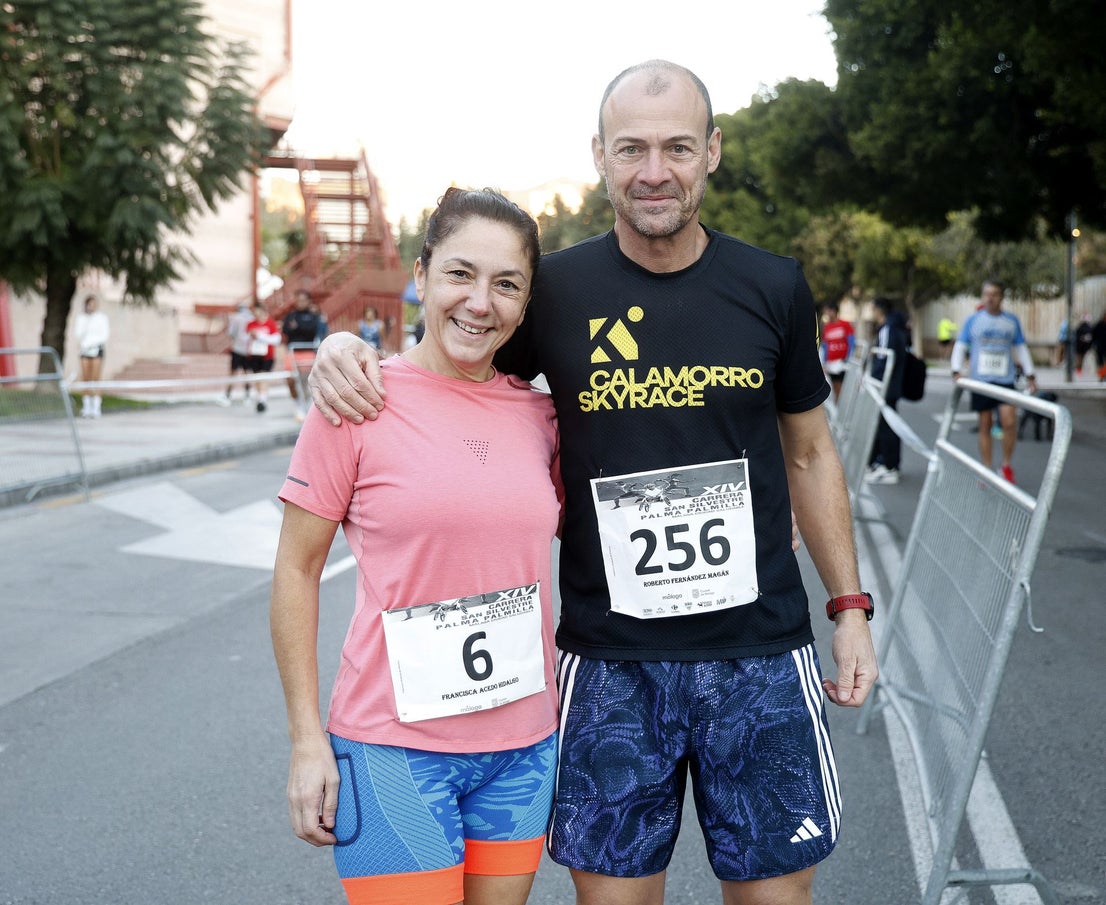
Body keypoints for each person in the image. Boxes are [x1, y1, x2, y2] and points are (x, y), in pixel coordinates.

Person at [306, 60, 877, 905]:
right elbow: (459, 355)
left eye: (678, 147)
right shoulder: (555, 289)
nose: (656, 170)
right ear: (600, 156)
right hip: (611, 659)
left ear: (712, 152)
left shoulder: (774, 285)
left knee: (776, 896)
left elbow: (809, 454)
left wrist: (850, 607)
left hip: (759, 649)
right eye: (633, 148)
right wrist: (346, 351)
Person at [270, 188, 561, 905]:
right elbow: (296, 568)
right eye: (460, 273)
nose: (480, 302)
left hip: (523, 745)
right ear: (422, 275)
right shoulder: (357, 401)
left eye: (506, 284)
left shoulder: (545, 417)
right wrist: (307, 741)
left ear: (525, 305)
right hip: (392, 747)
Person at [950, 279, 1037, 484]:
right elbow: (961, 345)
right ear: (982, 296)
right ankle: (986, 469)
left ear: (1001, 297)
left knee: (1009, 422)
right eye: (987, 293)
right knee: (985, 424)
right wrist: (956, 371)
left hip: (1004, 380)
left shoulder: (1011, 321)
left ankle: (1006, 465)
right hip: (981, 381)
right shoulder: (973, 321)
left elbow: (1021, 348)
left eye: (995, 294)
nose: (990, 298)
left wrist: (1031, 374)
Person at [864, 298, 908, 485]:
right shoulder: (892, 328)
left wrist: (873, 383)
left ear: (879, 310)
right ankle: (884, 462)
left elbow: (883, 360)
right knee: (886, 425)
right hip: (889, 386)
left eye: (872, 308)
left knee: (886, 426)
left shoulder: (888, 330)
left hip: (886, 388)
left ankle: (889, 466)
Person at [74, 293, 110, 418]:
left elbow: (104, 335)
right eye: (90, 304)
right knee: (86, 378)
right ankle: (87, 407)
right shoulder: (82, 318)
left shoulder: (101, 318)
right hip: (85, 350)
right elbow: (78, 334)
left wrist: (91, 343)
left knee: (96, 378)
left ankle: (96, 407)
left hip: (96, 350)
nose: (92, 307)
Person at [245, 302, 281, 413]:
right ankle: (260, 397)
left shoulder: (270, 323)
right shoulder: (251, 324)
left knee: (264, 377)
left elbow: (276, 339)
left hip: (267, 355)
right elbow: (245, 338)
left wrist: (260, 336)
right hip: (254, 354)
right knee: (257, 378)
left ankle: (262, 399)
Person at [819, 302, 855, 401]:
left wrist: (848, 358)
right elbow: (825, 346)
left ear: (834, 311)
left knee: (845, 387)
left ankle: (844, 407)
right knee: (836, 387)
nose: (827, 313)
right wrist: (824, 362)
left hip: (843, 363)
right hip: (832, 364)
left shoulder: (845, 324)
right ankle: (839, 408)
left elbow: (851, 342)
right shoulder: (826, 327)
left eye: (829, 311)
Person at [222, 300, 253, 405]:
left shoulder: (236, 318)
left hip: (238, 348)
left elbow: (231, 333)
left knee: (233, 373)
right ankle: (248, 395)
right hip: (248, 349)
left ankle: (228, 395)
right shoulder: (252, 318)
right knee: (247, 373)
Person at [1091, 309, 1106, 382]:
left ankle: (1104, 375)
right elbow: (1093, 336)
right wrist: (1094, 344)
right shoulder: (1098, 325)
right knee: (1100, 363)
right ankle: (1101, 376)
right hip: (1100, 347)